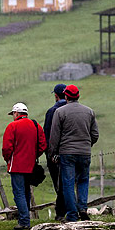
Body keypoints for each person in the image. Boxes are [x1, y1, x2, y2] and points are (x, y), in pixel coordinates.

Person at [48, 84, 99, 222]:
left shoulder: (60, 112)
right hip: (84, 152)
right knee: (83, 180)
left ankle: (71, 215)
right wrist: (87, 144)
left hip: (67, 153)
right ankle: (82, 208)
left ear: (66, 96)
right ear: (78, 96)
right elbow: (95, 134)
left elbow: (54, 136)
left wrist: (52, 153)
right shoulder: (89, 112)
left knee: (68, 183)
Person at [2, 102, 47, 230]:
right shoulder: (35, 125)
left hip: (16, 165)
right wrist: (33, 154)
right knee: (26, 191)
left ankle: (24, 220)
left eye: (13, 114)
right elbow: (43, 145)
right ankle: (25, 218)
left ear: (16, 113)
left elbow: (7, 148)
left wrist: (8, 159)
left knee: (19, 193)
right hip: (31, 165)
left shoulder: (12, 126)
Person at [44, 84, 67, 221]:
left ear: (56, 96)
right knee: (68, 182)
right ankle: (71, 209)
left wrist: (49, 153)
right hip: (73, 151)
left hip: (55, 153)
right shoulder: (75, 109)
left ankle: (61, 212)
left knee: (59, 184)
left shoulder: (52, 111)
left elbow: (47, 133)